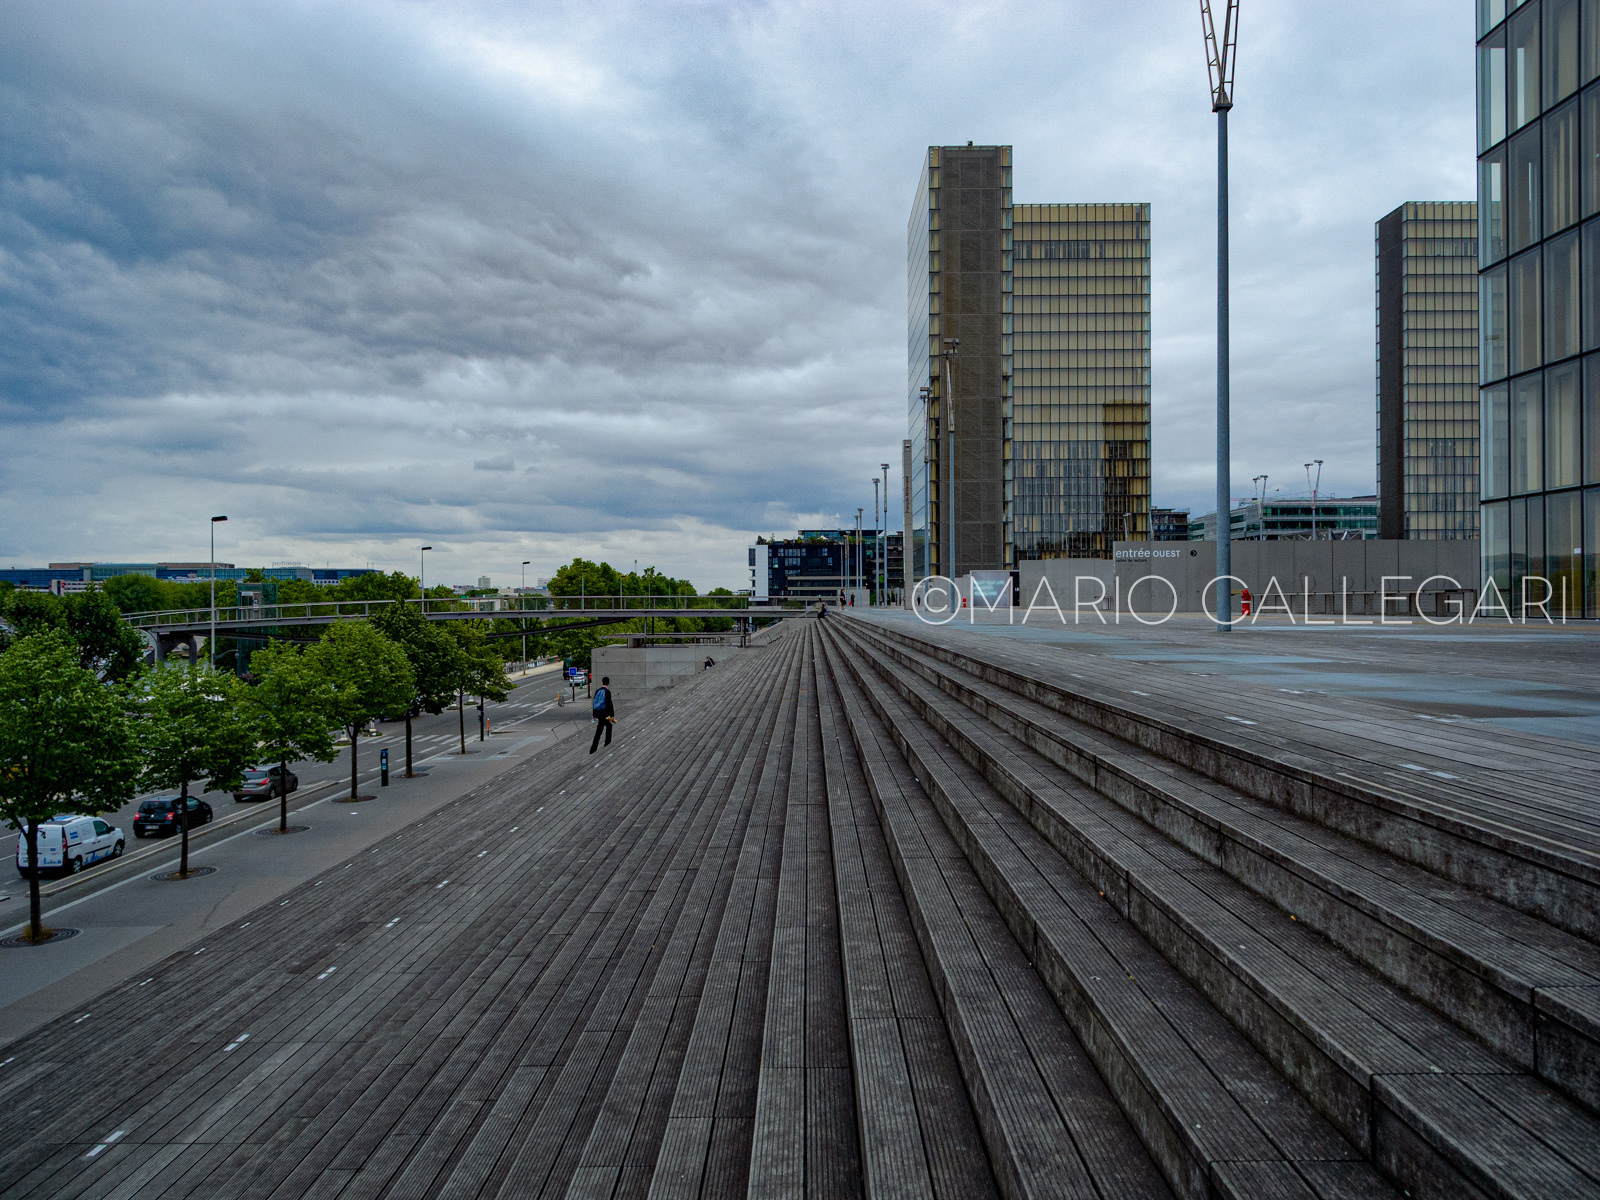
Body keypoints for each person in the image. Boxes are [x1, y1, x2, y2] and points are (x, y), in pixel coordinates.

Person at [589, 675, 616, 753]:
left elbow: (595, 702)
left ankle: (594, 748)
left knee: (606, 727)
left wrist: (594, 714)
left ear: (602, 682)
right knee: (600, 730)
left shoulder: (598, 691)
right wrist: (612, 715)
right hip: (604, 714)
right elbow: (609, 704)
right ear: (608, 683)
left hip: (598, 713)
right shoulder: (607, 692)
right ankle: (604, 744)